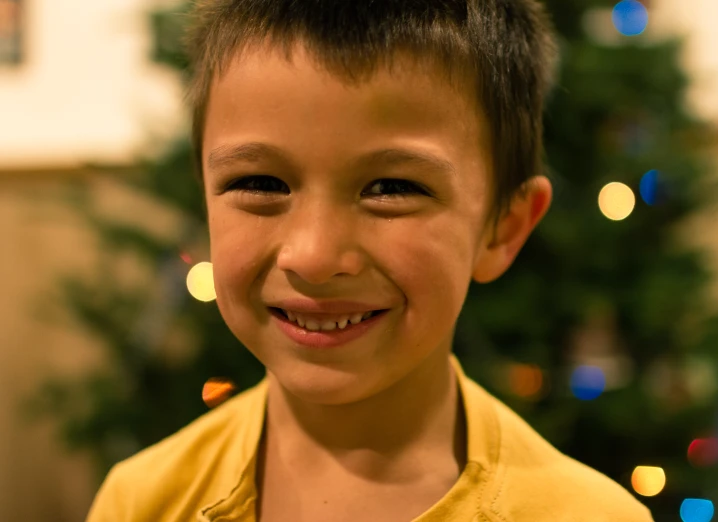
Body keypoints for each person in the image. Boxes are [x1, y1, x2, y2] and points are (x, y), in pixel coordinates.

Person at [86, 0, 655, 520]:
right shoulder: (142, 502)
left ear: (503, 227)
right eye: (259, 182)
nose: (313, 256)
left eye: (390, 188)